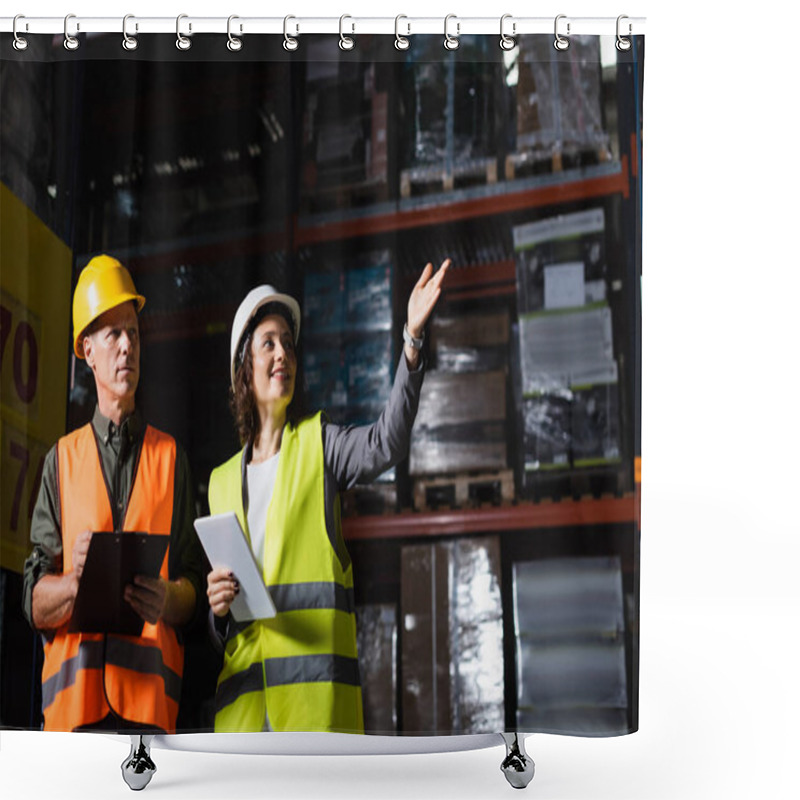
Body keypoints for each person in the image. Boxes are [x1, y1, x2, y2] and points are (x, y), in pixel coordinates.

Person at [206, 258, 451, 734]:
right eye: (269, 344)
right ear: (244, 369)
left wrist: (412, 342)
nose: (283, 355)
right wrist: (216, 612)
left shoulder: (323, 446)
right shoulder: (218, 484)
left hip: (312, 719)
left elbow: (387, 442)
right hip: (243, 721)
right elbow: (226, 627)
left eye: (289, 345)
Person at [22, 254, 205, 733]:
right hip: (73, 720)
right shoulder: (60, 462)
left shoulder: (171, 459)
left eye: (135, 334)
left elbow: (194, 589)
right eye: (113, 335)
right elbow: (34, 601)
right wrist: (73, 583)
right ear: (87, 351)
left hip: (147, 726)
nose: (128, 347)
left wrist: (167, 597)